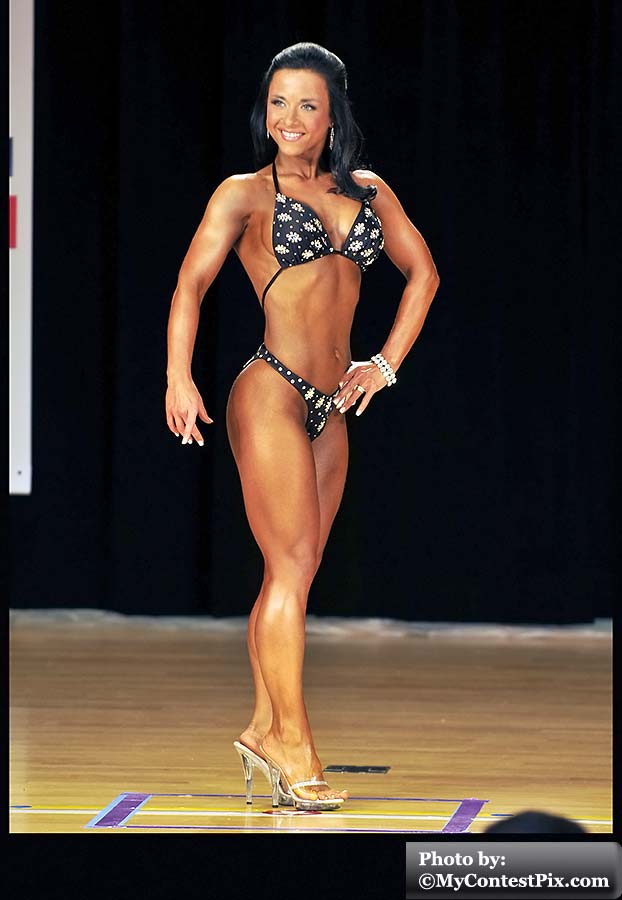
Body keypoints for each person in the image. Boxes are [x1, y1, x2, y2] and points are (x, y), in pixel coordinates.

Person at [165, 42, 440, 811]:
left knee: (295, 571)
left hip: (331, 404)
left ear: (332, 116)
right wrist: (178, 376)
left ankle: (262, 726)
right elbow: (190, 284)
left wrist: (384, 364)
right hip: (272, 392)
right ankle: (295, 745)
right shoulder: (245, 193)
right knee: (288, 569)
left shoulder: (369, 191)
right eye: (278, 102)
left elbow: (424, 274)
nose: (289, 118)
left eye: (307, 104)